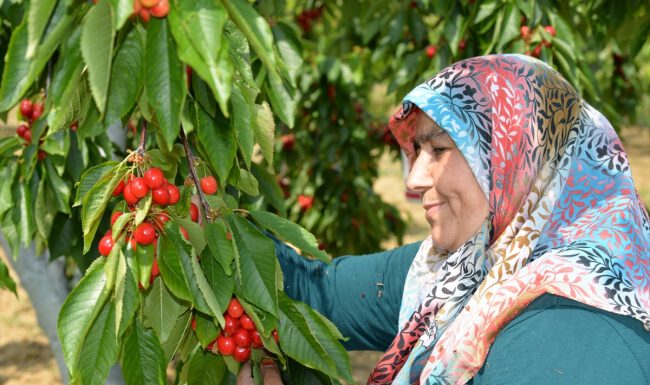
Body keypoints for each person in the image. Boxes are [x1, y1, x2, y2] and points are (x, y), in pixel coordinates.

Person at [237, 54, 650, 385]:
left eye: (438, 150)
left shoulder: (575, 335)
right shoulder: (469, 268)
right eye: (416, 151)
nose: (414, 179)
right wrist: (199, 215)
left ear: (514, 161)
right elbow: (316, 291)